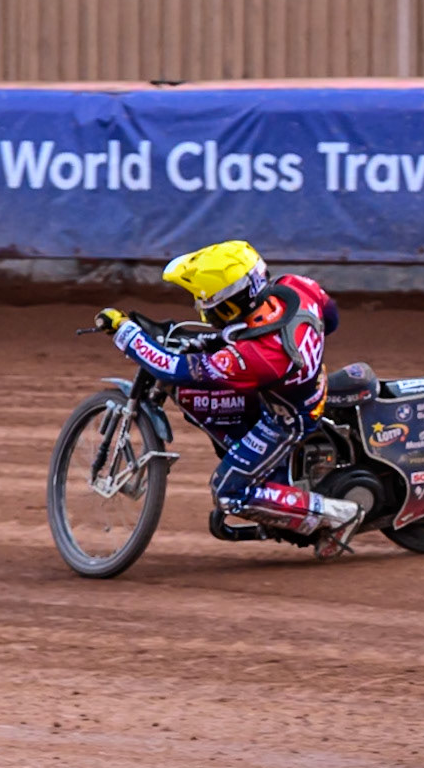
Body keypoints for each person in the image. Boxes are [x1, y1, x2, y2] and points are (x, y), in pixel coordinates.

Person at [94, 240, 362, 560]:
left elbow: (174, 369)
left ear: (230, 305)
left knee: (230, 494)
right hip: (302, 386)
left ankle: (338, 516)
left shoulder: (254, 355)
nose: (200, 306)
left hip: (287, 418)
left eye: (203, 300)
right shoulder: (296, 286)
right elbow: (331, 319)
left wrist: (125, 333)